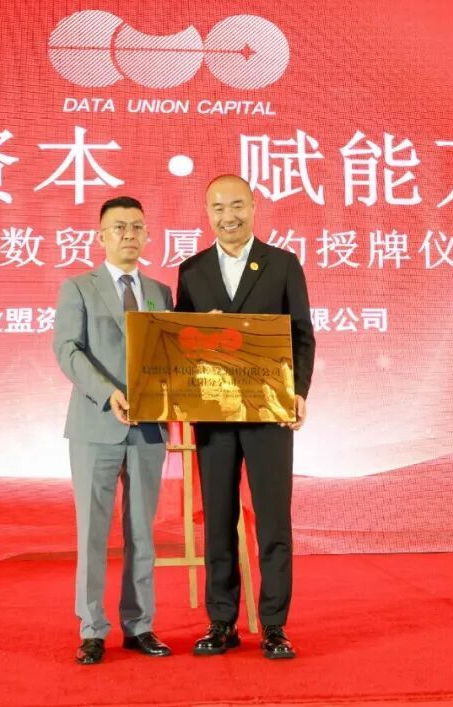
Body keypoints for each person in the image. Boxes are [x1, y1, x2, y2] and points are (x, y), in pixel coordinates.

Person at [176, 175, 316, 660]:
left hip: (269, 411)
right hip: (213, 414)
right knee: (217, 518)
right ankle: (222, 622)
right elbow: (180, 343)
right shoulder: (191, 270)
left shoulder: (282, 264)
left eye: (236, 205)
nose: (228, 216)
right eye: (218, 208)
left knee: (273, 520)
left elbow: (302, 334)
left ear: (254, 207)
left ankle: (274, 625)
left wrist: (298, 392)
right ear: (207, 212)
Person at [53, 196, 175, 665]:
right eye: (119, 227)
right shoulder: (78, 288)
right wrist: (108, 393)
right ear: (101, 236)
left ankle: (140, 625)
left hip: (149, 429)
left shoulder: (161, 292)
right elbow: (67, 350)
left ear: (147, 235)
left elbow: (171, 355)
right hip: (95, 424)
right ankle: (92, 628)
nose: (129, 235)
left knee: (143, 532)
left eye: (137, 227)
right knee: (93, 532)